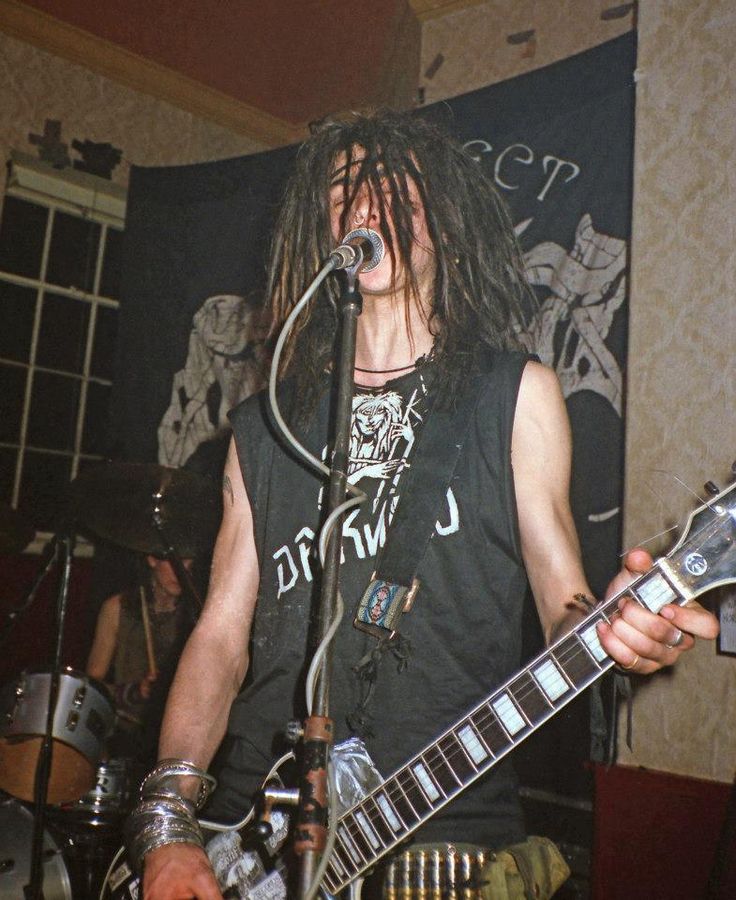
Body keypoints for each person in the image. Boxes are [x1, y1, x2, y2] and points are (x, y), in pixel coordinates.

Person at [133, 111, 720, 899]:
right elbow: (220, 638)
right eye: (346, 188)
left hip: (439, 832)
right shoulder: (265, 423)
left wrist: (618, 627)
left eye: (395, 186)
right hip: (248, 833)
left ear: (440, 224)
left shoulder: (513, 395)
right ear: (321, 225)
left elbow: (563, 602)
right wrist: (169, 822)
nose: (368, 203)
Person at [86, 553, 194, 769]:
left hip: (178, 738)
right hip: (126, 735)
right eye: (175, 563)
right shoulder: (117, 608)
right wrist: (135, 692)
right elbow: (91, 687)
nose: (182, 573)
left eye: (189, 565)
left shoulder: (195, 614)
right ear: (152, 559)